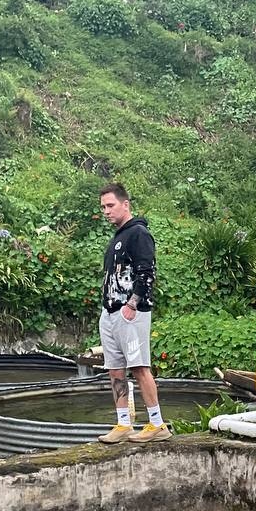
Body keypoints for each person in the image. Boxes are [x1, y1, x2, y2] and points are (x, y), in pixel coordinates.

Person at [97, 183, 171, 443]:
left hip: (131, 312)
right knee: (115, 369)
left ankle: (157, 423)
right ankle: (123, 423)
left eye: (110, 205)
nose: (106, 211)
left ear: (125, 204)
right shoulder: (117, 237)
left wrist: (132, 304)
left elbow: (147, 272)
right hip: (110, 312)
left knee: (139, 366)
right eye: (103, 207)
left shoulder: (138, 233)